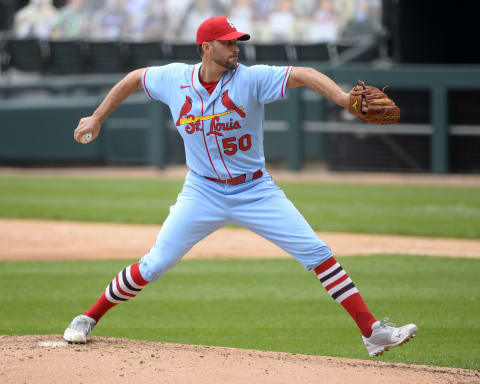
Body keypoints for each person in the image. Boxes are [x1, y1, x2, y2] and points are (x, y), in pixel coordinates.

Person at [64, 16, 417, 357]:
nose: (236, 48)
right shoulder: (174, 78)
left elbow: (305, 74)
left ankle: (372, 332)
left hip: (255, 191)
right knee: (155, 264)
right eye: (228, 42)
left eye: (237, 42)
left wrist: (342, 99)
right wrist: (96, 117)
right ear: (206, 47)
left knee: (318, 253)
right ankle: (88, 317)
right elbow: (133, 79)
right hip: (202, 191)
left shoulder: (251, 79)